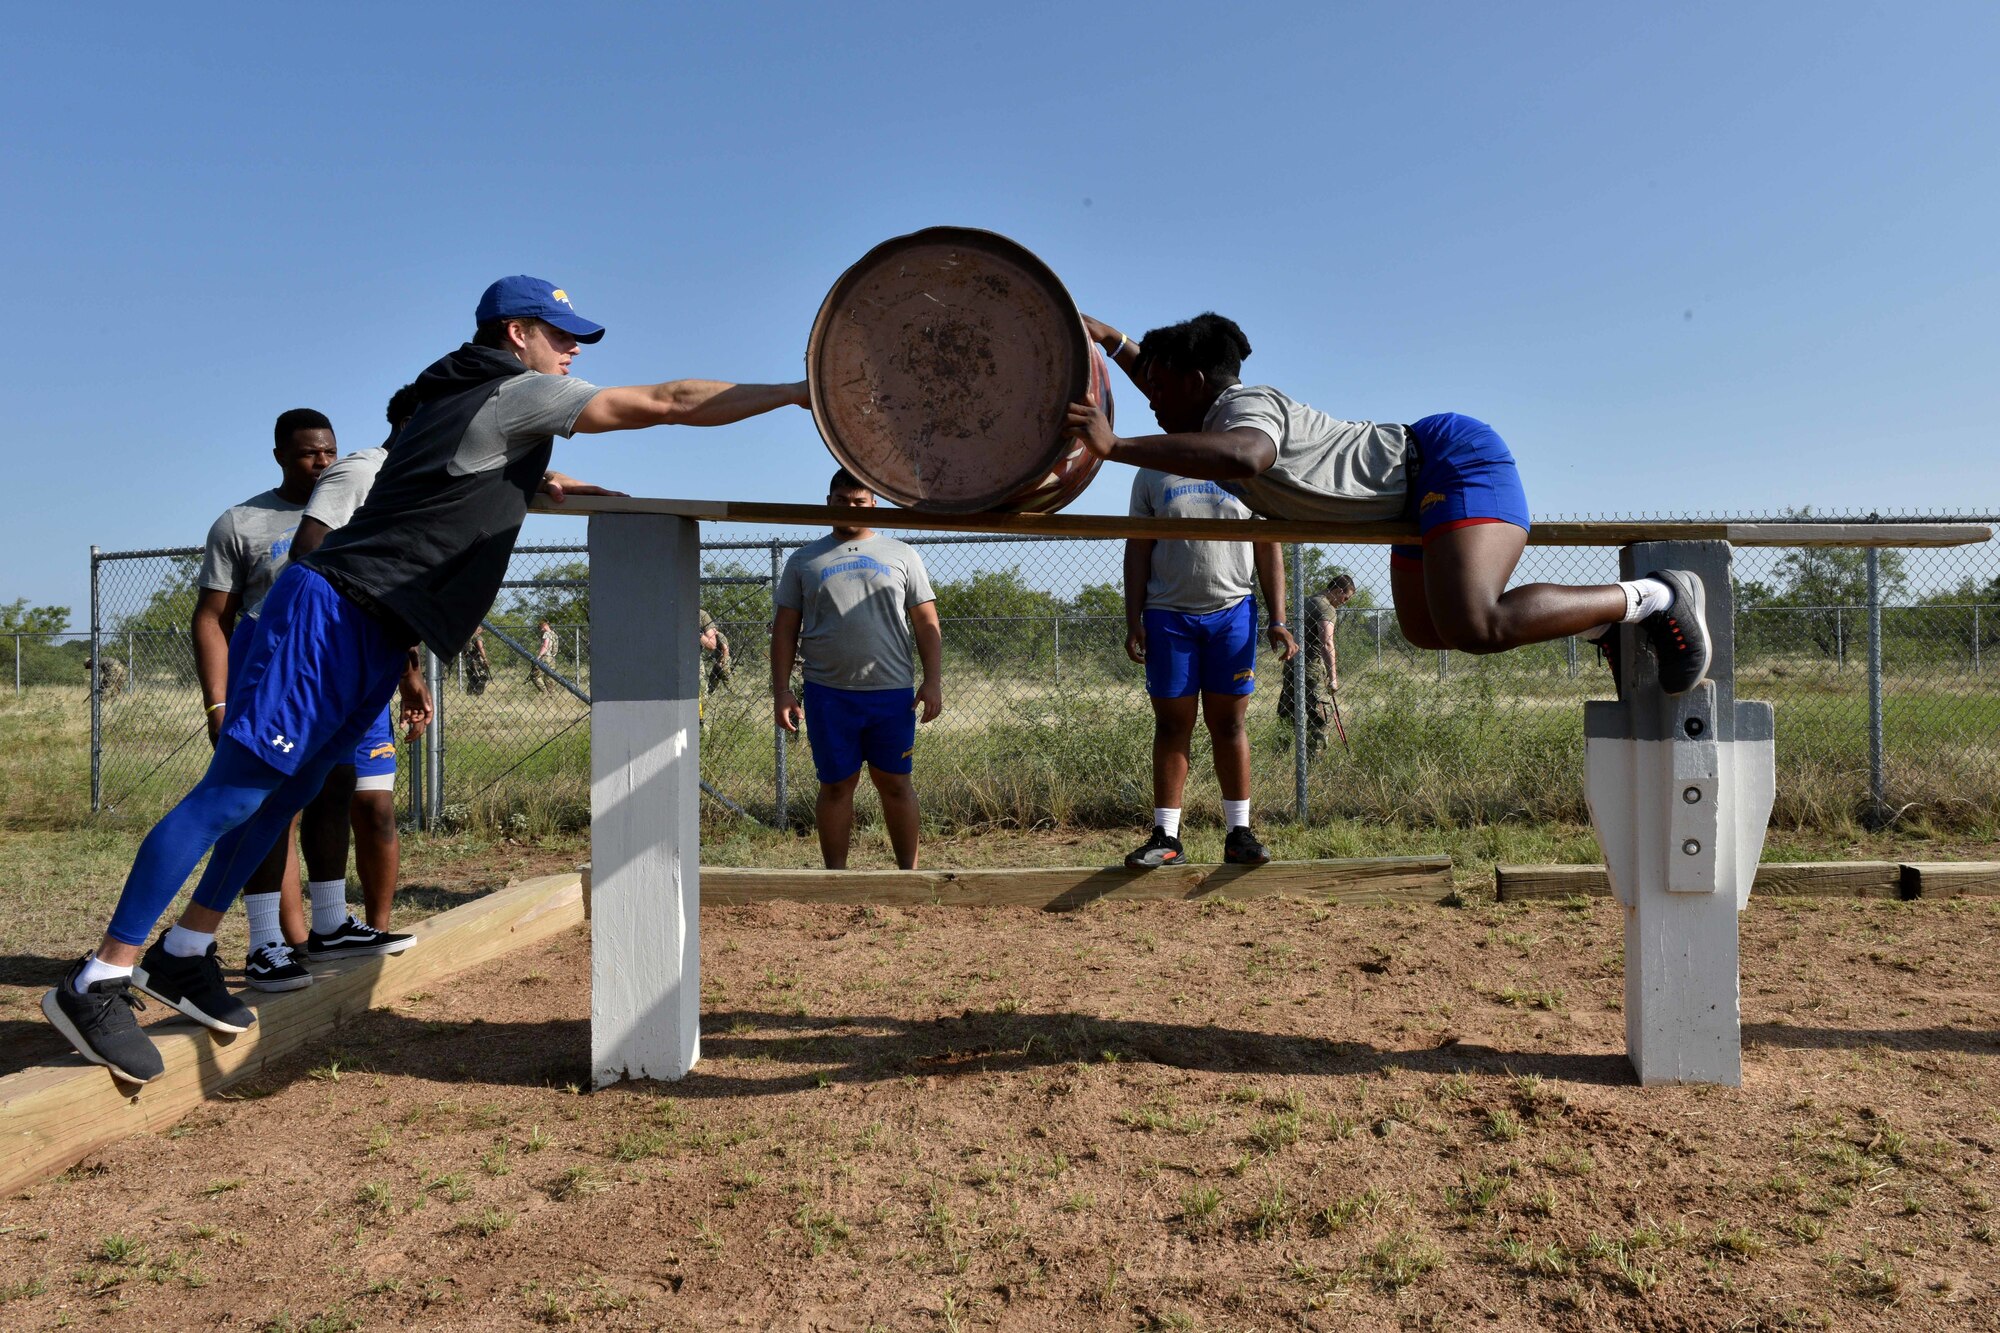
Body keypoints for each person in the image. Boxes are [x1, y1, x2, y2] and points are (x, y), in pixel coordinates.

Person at [42, 275, 810, 1084]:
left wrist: (535, 483)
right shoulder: (515, 391)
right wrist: (798, 394)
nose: (573, 348)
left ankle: (187, 949)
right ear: (516, 333)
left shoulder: (468, 396)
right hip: (333, 613)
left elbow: (447, 475)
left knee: (284, 795)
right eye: (560, 334)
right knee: (232, 793)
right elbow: (670, 399)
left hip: (375, 629)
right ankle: (98, 979)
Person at [1065, 313, 1712, 695]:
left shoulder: (1241, 408)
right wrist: (1105, 338)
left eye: (1155, 385)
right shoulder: (1206, 404)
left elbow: (1247, 457)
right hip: (1409, 506)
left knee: (1474, 623)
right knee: (1427, 628)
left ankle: (1657, 595)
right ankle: (1601, 624)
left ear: (1194, 382)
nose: (1146, 396)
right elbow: (1160, 373)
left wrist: (1116, 445)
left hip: (1449, 461)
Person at [189, 409, 340, 993]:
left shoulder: (353, 509)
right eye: (309, 454)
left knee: (335, 797)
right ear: (280, 455)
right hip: (269, 691)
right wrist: (217, 704)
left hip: (339, 687)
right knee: (260, 808)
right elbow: (211, 619)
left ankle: (328, 927)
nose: (322, 463)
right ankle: (262, 944)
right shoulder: (241, 522)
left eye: (329, 451)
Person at [1122, 469, 1297, 870]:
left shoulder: (1245, 469)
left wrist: (1278, 619)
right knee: (1171, 725)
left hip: (1233, 613)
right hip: (1167, 615)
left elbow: (1267, 544)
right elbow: (1138, 546)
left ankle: (1239, 835)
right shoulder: (1151, 474)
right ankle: (1166, 838)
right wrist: (1134, 618)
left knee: (1230, 725)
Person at [771, 470, 943, 871]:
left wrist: (933, 681)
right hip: (828, 694)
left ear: (873, 504)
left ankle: (908, 876)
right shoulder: (804, 560)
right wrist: (781, 690)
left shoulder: (902, 554)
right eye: (842, 500)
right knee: (835, 786)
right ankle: (836, 880)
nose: (850, 508)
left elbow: (926, 623)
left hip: (891, 693)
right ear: (828, 502)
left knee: (896, 784)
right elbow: (784, 631)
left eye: (859, 501)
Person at [1277, 574, 1355, 757]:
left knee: (1287, 715)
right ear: (1338, 591)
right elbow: (1327, 643)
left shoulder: (1307, 601)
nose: (1344, 602)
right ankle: (1313, 764)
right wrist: (1333, 678)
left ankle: (1277, 758)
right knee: (1321, 719)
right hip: (1310, 668)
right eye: (1346, 598)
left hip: (1291, 665)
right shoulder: (1326, 608)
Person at [462, 625, 491, 696]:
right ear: (479, 629)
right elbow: (481, 648)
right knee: (483, 676)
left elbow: (464, 651)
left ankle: (470, 694)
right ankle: (478, 693)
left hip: (469, 660)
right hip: (477, 660)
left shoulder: (468, 637)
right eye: (482, 630)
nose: (482, 632)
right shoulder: (478, 637)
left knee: (471, 678)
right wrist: (485, 659)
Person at [531, 619, 558, 692]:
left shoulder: (546, 634)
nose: (540, 630)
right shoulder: (554, 634)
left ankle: (544, 692)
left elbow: (545, 646)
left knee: (535, 675)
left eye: (540, 628)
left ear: (544, 625)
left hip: (545, 657)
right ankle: (552, 694)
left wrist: (538, 656)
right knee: (549, 678)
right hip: (552, 658)